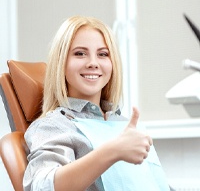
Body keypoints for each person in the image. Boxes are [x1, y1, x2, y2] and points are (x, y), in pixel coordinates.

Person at [23, 15, 170, 191]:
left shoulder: (123, 124)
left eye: (103, 54)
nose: (93, 63)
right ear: (61, 62)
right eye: (80, 53)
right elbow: (42, 186)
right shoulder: (54, 126)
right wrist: (112, 151)